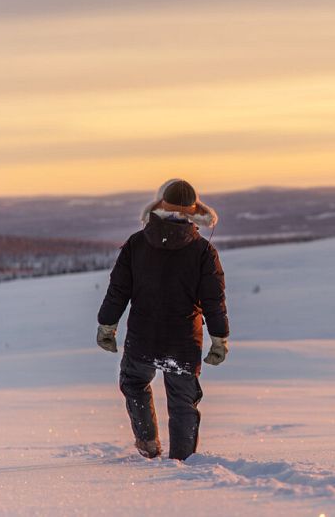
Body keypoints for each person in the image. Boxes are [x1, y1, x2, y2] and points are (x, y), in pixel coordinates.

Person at [95, 178, 229, 460]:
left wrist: (107, 325)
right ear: (194, 212)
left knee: (133, 383)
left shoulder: (136, 243)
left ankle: (148, 444)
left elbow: (118, 290)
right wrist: (219, 339)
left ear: (159, 206)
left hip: (143, 337)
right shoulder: (204, 251)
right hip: (183, 342)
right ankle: (183, 460)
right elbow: (214, 301)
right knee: (182, 401)